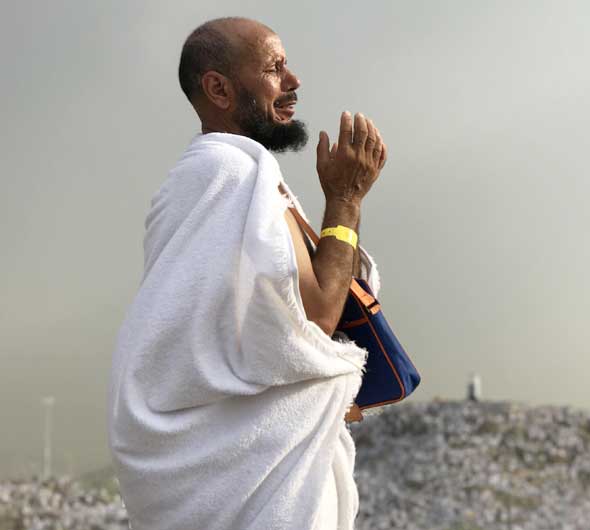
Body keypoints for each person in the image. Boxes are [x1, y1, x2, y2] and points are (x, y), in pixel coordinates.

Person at [106, 16, 386, 530]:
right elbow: (317, 318)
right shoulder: (230, 174)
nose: (293, 81)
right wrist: (345, 199)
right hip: (253, 484)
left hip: (237, 478)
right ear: (219, 89)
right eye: (275, 68)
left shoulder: (210, 179)